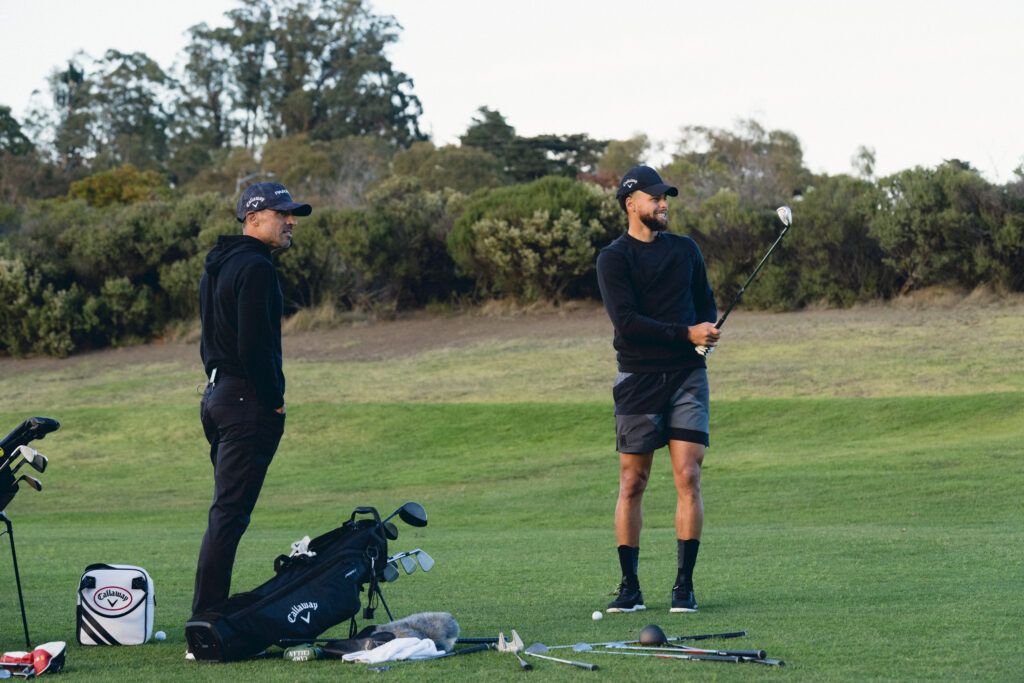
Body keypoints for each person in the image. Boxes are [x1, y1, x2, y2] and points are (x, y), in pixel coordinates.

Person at [595, 166, 720, 614]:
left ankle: (683, 585)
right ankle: (629, 586)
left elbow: (705, 301)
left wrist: (706, 332)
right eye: (654, 197)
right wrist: (687, 332)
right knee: (633, 480)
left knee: (689, 476)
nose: (663, 203)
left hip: (688, 375)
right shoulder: (614, 258)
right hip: (638, 379)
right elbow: (627, 324)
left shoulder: (686, 250)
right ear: (631, 203)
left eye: (665, 197)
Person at [191, 182, 312, 630]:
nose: (291, 222)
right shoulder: (257, 267)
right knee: (230, 512)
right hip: (246, 401)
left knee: (226, 511)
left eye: (292, 214)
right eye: (283, 214)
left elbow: (210, 343)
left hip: (216, 396)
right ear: (254, 217)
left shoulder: (216, 268)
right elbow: (255, 345)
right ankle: (205, 619)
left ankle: (207, 611)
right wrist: (275, 402)